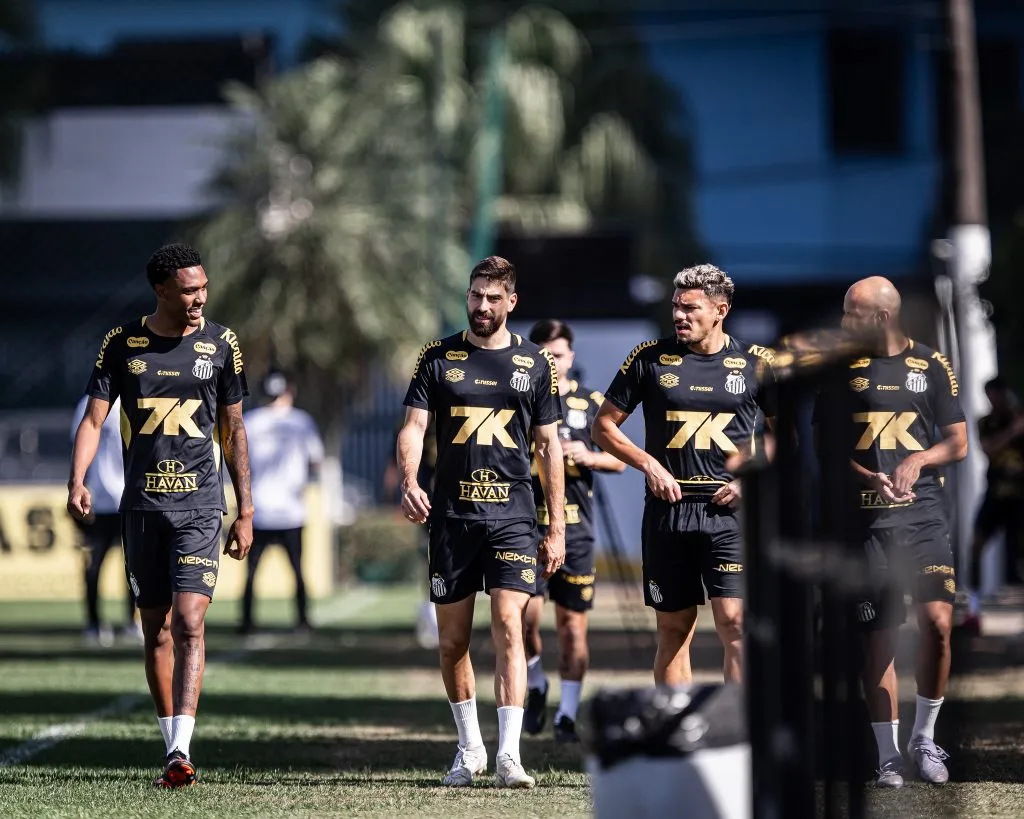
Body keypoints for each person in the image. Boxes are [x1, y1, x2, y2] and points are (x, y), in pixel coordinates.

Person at [67, 242, 253, 789]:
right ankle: (168, 735)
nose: (200, 299)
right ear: (162, 290)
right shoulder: (122, 343)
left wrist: (246, 510)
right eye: (189, 290)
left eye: (204, 288)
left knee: (191, 619)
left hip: (200, 506)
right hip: (141, 509)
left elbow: (235, 429)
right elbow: (93, 418)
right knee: (157, 631)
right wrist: (76, 479)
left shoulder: (222, 343)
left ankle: (179, 750)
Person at [397, 255, 565, 789]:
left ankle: (510, 756)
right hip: (452, 519)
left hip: (513, 518)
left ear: (511, 302)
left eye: (493, 299)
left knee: (511, 626)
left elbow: (548, 446)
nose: (483, 307)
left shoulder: (536, 363)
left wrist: (555, 526)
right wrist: (409, 480)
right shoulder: (438, 357)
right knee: (452, 643)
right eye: (476, 296)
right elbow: (413, 427)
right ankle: (469, 748)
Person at [814, 276, 967, 789]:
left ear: (880, 317)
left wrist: (919, 459)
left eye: (850, 313)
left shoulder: (931, 365)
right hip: (867, 528)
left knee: (938, 625)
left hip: (924, 520)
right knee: (877, 638)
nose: (843, 323)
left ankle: (925, 737)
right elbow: (829, 451)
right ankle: (888, 756)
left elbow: (958, 442)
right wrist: (872, 476)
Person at [592, 264, 775, 686]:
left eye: (690, 308)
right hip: (667, 513)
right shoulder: (648, 358)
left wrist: (748, 480)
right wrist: (649, 464)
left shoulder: (757, 363)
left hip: (728, 515)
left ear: (720, 310)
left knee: (735, 623)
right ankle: (676, 731)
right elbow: (602, 427)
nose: (679, 315)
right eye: (676, 306)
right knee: (674, 630)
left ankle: (738, 735)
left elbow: (785, 440)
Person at [522, 319, 625, 743]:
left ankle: (566, 713)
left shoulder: (591, 401)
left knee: (571, 627)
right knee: (522, 618)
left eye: (559, 355)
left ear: (571, 357)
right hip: (526, 527)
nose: (553, 362)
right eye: (544, 355)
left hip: (576, 529)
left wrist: (588, 455)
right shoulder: (520, 399)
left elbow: (619, 460)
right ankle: (534, 684)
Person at [239, 371, 324, 635]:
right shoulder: (301, 422)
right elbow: (316, 460)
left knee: (252, 572)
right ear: (289, 391)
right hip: (291, 511)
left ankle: (247, 623)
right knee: (297, 570)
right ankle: (302, 621)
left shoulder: (251, 421)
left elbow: (239, 461)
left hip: (258, 509)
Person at [69, 393, 139, 645]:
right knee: (93, 564)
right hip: (99, 500)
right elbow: (79, 446)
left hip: (132, 498)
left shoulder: (139, 393)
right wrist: (79, 485)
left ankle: (133, 620)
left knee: (135, 565)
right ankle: (93, 622)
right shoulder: (90, 401)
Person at [967, 376, 1024, 611]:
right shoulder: (987, 422)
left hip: (1021, 496)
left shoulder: (1018, 414)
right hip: (996, 493)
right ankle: (974, 602)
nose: (993, 400)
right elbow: (987, 449)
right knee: (976, 545)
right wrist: (1013, 431)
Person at [383, 416, 440, 649]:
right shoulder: (416, 418)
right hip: (427, 500)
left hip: (459, 499)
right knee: (428, 556)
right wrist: (394, 495)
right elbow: (394, 457)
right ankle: (431, 609)